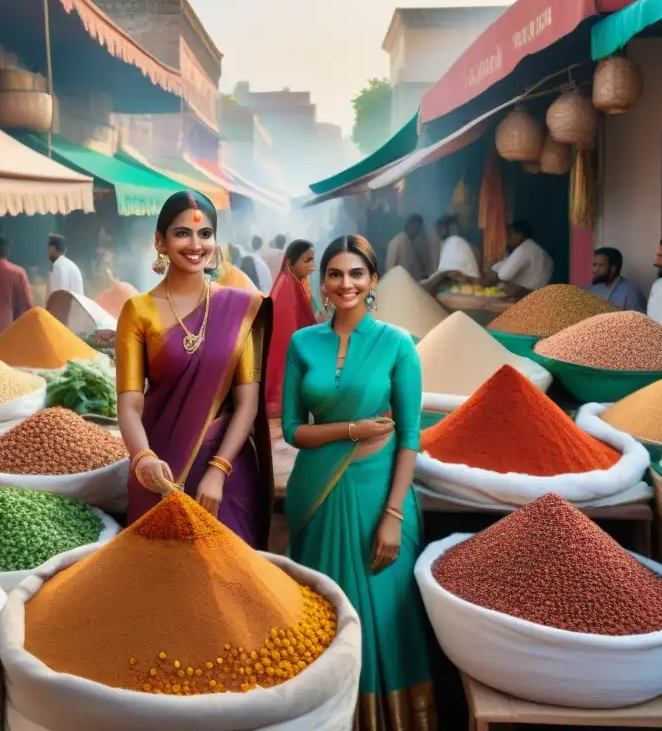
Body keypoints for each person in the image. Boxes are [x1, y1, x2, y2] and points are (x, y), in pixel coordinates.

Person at [282, 235, 436, 729]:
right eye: (334, 274)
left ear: (371, 281)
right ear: (322, 283)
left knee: (385, 615)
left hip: (380, 495)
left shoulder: (397, 343)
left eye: (356, 274)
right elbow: (293, 430)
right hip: (316, 494)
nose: (345, 284)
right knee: (322, 608)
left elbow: (410, 437)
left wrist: (393, 515)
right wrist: (350, 430)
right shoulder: (302, 343)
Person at [115, 190, 274, 548]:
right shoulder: (138, 311)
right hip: (158, 467)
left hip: (225, 473)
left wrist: (218, 470)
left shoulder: (240, 308)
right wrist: (143, 460)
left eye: (205, 234)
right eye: (182, 233)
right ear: (160, 241)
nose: (195, 244)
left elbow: (246, 403)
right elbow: (129, 405)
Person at [265, 240, 318, 419]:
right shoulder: (286, 286)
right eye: (307, 260)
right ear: (289, 262)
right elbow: (286, 333)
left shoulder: (295, 282)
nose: (312, 266)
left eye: (313, 260)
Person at [486, 221, 553, 296]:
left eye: (511, 234)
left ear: (520, 235)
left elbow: (503, 275)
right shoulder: (536, 249)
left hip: (528, 295)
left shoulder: (524, 248)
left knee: (501, 286)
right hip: (542, 295)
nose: (507, 237)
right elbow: (500, 267)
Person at [584, 247, 646, 312]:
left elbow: (640, 319)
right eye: (594, 265)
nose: (595, 270)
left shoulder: (630, 291)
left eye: (600, 265)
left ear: (613, 268)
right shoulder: (592, 287)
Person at [434, 215, 481, 280]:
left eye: (440, 228)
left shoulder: (455, 243)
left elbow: (453, 272)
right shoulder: (449, 243)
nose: (437, 232)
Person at [385, 214, 430, 281]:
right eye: (415, 226)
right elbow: (389, 266)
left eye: (418, 227)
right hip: (397, 282)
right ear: (410, 225)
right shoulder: (396, 242)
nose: (417, 229)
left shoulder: (412, 243)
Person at [47, 233, 84, 298]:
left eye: (49, 249)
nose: (48, 252)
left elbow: (57, 295)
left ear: (53, 249)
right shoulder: (73, 266)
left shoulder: (57, 266)